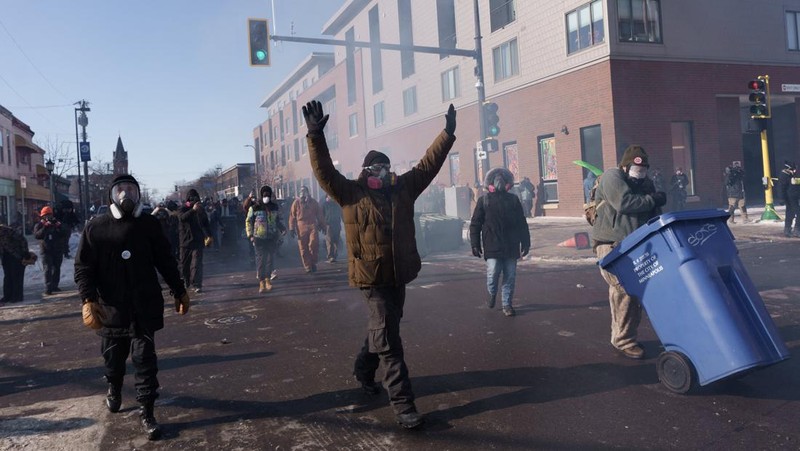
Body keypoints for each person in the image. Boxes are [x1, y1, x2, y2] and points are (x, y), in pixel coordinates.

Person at [304, 99, 456, 429]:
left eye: (386, 166)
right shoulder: (350, 193)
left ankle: (362, 369)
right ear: (366, 170)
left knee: (384, 329)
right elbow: (324, 171)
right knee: (390, 342)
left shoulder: (404, 190)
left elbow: (428, 165)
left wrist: (447, 134)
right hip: (371, 277)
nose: (383, 171)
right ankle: (404, 407)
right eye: (377, 167)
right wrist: (315, 134)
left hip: (398, 274)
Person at [75, 175, 190, 441]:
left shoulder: (149, 224)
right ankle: (114, 388)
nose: (126, 194)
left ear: (138, 195)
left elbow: (165, 260)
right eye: (120, 190)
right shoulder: (96, 227)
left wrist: (179, 289)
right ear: (112, 196)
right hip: (112, 309)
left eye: (130, 189)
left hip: (144, 307)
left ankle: (147, 412)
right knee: (114, 360)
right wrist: (88, 299)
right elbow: (83, 268)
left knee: (145, 361)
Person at [591, 145, 666, 360]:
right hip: (611, 243)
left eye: (643, 170)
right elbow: (624, 203)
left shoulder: (646, 183)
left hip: (637, 244)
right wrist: (653, 199)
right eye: (635, 169)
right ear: (624, 167)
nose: (639, 174)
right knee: (625, 287)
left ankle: (621, 334)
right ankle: (623, 340)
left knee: (628, 291)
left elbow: (653, 213)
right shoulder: (612, 176)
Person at [469, 167, 531, 317]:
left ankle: (507, 304)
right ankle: (492, 292)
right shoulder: (484, 201)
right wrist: (475, 244)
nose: (499, 182)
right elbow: (475, 224)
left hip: (511, 244)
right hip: (492, 244)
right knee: (493, 272)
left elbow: (521, 223)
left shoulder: (513, 200)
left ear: (508, 184)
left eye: (502, 179)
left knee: (510, 276)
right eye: (496, 179)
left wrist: (526, 242)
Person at [245, 184, 286, 293]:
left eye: (268, 194)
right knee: (261, 260)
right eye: (264, 195)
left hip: (271, 237)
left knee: (269, 260)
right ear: (261, 195)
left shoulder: (274, 207)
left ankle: (268, 280)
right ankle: (261, 282)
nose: (266, 197)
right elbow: (248, 221)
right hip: (258, 237)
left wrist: (282, 228)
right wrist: (250, 235)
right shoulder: (254, 208)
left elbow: (277, 221)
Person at [177, 188, 213, 293]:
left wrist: (209, 236)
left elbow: (205, 223)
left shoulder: (200, 209)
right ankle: (186, 280)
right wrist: (192, 210)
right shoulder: (183, 208)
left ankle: (197, 284)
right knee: (184, 265)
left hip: (197, 241)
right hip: (185, 242)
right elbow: (182, 218)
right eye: (192, 199)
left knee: (197, 264)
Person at [288, 186, 325, 273]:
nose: (303, 193)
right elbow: (292, 216)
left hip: (312, 224)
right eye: (301, 191)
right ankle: (307, 266)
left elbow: (319, 214)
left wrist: (322, 225)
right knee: (303, 248)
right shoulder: (296, 203)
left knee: (314, 244)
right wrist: (291, 228)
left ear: (308, 192)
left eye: (305, 191)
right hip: (301, 226)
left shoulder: (313, 202)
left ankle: (313, 263)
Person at [33, 206, 68, 295]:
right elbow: (37, 235)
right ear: (42, 216)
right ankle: (48, 287)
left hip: (57, 250)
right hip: (46, 250)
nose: (48, 217)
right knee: (47, 269)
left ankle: (55, 285)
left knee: (56, 268)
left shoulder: (57, 223)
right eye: (46, 216)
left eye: (49, 215)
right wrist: (45, 227)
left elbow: (65, 232)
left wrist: (58, 225)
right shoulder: (39, 225)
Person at [0, 224, 37, 305]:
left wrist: (25, 253)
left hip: (16, 256)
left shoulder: (7, 230)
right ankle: (7, 296)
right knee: (7, 277)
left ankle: (17, 296)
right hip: (5, 257)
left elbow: (22, 240)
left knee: (16, 276)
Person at [778, 161, 800, 237]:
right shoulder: (784, 175)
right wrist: (781, 198)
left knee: (790, 214)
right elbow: (781, 188)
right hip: (790, 198)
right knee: (797, 213)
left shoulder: (790, 175)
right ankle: (797, 230)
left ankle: (787, 230)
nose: (794, 171)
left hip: (792, 198)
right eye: (793, 169)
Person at [321, 194, 343, 263]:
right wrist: (322, 225)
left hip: (336, 224)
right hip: (328, 225)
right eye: (330, 196)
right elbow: (321, 215)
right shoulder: (324, 205)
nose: (331, 197)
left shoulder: (337, 204)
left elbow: (342, 214)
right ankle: (331, 256)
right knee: (329, 241)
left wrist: (345, 221)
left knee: (336, 240)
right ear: (327, 197)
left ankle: (335, 255)